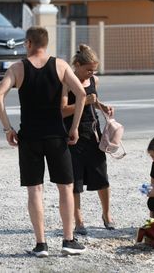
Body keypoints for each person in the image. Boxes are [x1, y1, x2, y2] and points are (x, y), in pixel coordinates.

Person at [0, 26, 87, 258]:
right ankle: (68, 240)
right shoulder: (60, 65)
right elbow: (82, 94)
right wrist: (73, 128)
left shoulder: (17, 68)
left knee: (35, 190)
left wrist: (8, 128)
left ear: (28, 43)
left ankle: (41, 244)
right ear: (46, 43)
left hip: (29, 138)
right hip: (56, 136)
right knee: (65, 187)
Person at [61, 44, 115, 236]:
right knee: (75, 180)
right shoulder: (67, 81)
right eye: (88, 69)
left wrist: (102, 107)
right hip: (73, 136)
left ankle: (107, 215)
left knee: (102, 177)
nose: (91, 73)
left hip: (94, 134)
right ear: (77, 64)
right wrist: (83, 102)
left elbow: (93, 99)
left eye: (94, 70)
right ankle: (78, 220)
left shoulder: (94, 80)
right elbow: (63, 110)